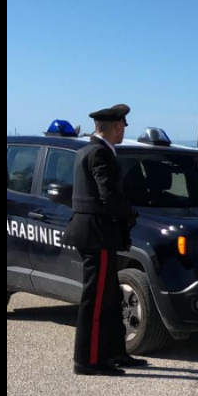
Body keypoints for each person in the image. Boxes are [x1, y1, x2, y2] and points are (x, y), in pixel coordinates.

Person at [63, 104, 145, 376]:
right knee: (96, 299)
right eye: (122, 127)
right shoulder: (100, 153)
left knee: (109, 297)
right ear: (117, 127)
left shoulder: (86, 150)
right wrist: (128, 215)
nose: (123, 131)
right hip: (98, 234)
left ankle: (113, 353)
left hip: (96, 233)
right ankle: (87, 360)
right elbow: (108, 194)